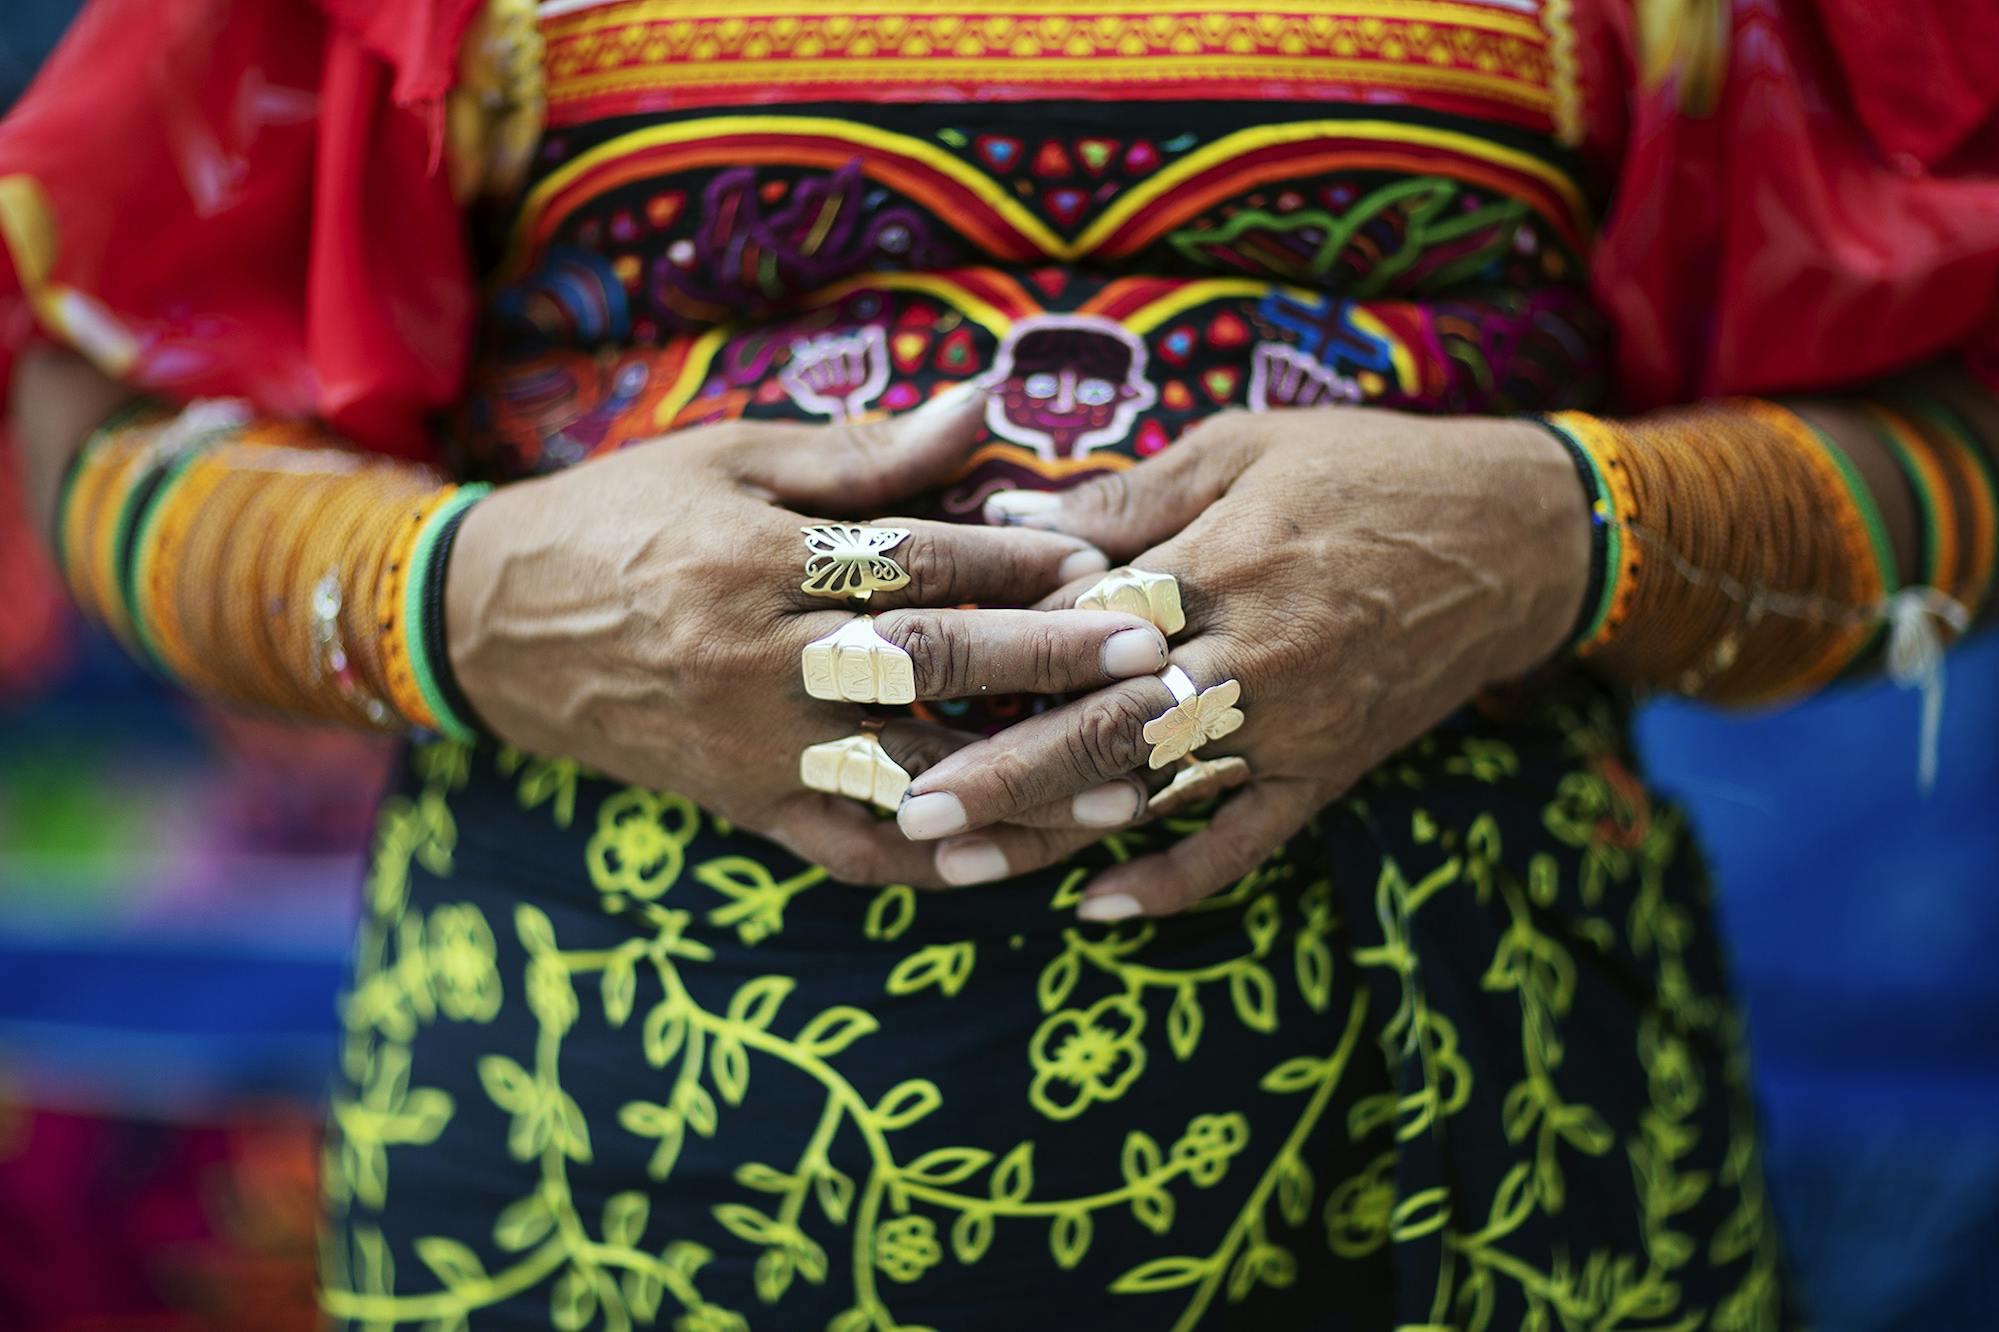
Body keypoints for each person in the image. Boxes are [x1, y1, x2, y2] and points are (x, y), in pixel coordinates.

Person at [4, 1, 1996, 1327]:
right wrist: (444, 595)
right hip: (603, 1201)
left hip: (1473, 1199)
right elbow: (102, 388)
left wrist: (1563, 534)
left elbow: (1958, 438)